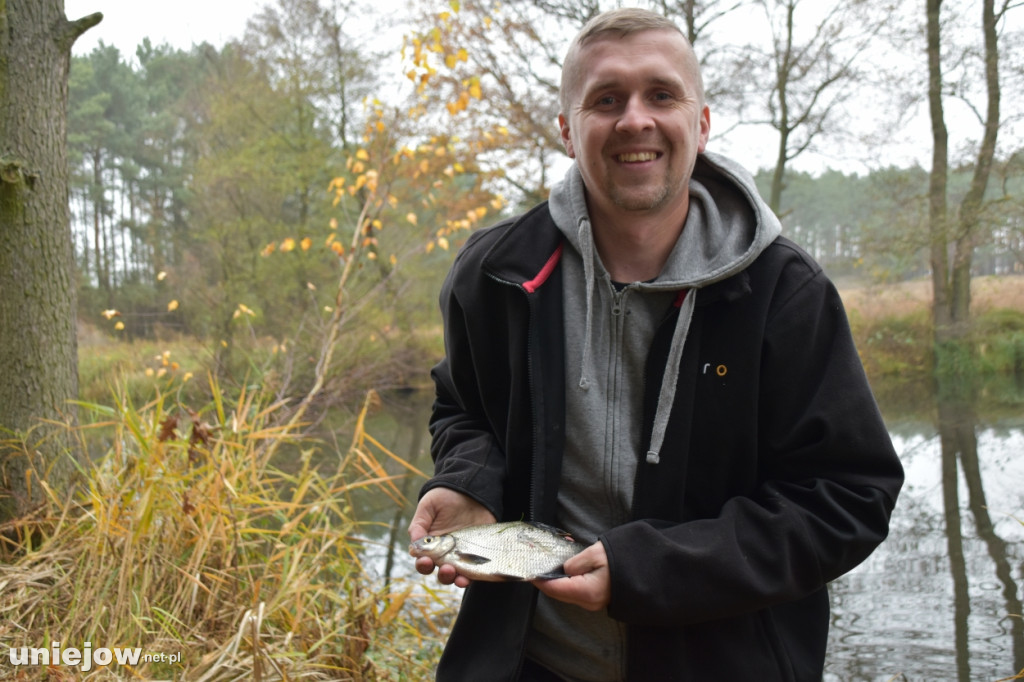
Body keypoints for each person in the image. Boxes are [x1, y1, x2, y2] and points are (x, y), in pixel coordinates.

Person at [409, 7, 904, 681]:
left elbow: (848, 497)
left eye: (662, 95)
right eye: (606, 99)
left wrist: (651, 571)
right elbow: (463, 410)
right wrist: (470, 483)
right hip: (529, 664)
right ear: (567, 129)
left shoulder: (784, 293)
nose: (634, 120)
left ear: (701, 124)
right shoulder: (496, 274)